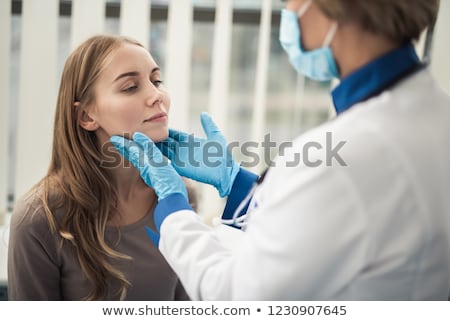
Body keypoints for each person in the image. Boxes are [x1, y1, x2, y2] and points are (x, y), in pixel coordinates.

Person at [114, 0, 449, 300]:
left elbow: (239, 297)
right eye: (129, 86)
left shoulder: (341, 161)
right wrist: (237, 186)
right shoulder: (433, 114)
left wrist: (174, 212)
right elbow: (312, 243)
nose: (288, 11)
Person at [8, 35, 197, 300]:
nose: (157, 96)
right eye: (131, 87)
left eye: (156, 81)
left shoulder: (178, 197)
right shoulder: (39, 218)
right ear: (86, 116)